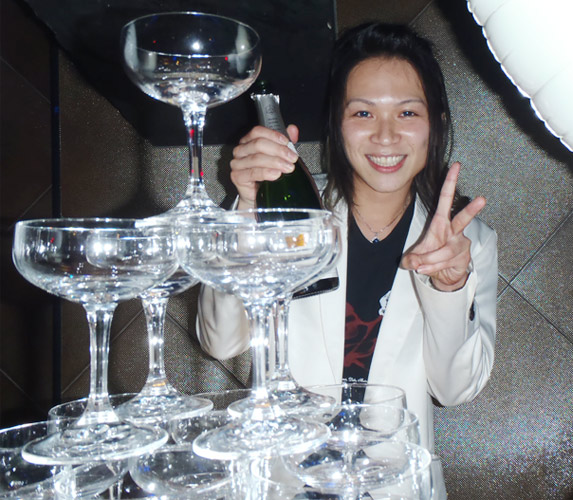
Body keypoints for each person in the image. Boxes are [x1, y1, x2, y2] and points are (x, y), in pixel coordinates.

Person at [197, 22, 497, 498]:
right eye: (363, 112)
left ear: (436, 122)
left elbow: (453, 389)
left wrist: (449, 286)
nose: (385, 135)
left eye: (407, 112)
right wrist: (248, 208)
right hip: (284, 483)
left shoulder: (468, 240)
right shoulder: (290, 210)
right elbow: (220, 341)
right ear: (337, 123)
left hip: (396, 487)